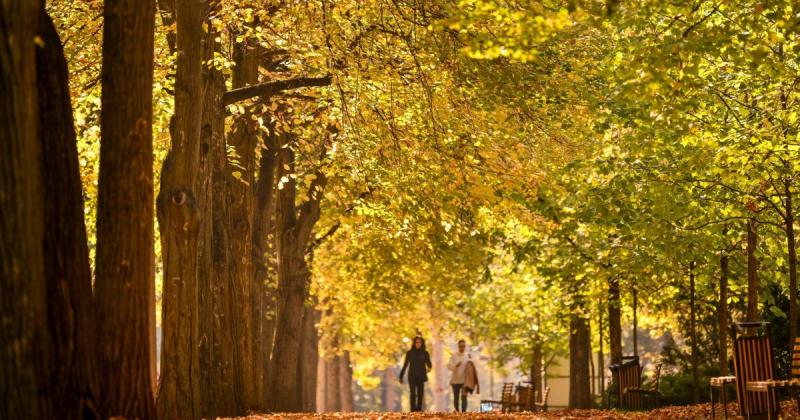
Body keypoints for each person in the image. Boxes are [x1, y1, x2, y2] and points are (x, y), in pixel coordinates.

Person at [399, 336, 432, 412]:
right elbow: (405, 365)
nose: (418, 344)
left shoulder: (425, 353)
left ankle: (418, 409)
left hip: (421, 376)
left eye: (420, 342)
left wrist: (429, 369)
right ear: (414, 343)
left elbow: (429, 364)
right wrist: (401, 376)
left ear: (422, 343)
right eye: (417, 342)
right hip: (412, 376)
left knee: (420, 393)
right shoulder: (410, 353)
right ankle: (412, 410)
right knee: (413, 393)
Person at [447, 339, 470, 412]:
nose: (462, 347)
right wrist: (455, 366)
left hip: (464, 381)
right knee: (456, 397)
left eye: (463, 346)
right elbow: (448, 366)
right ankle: (457, 411)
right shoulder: (454, 355)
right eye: (461, 346)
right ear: (458, 346)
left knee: (464, 397)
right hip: (455, 381)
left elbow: (471, 368)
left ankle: (464, 413)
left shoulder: (467, 356)